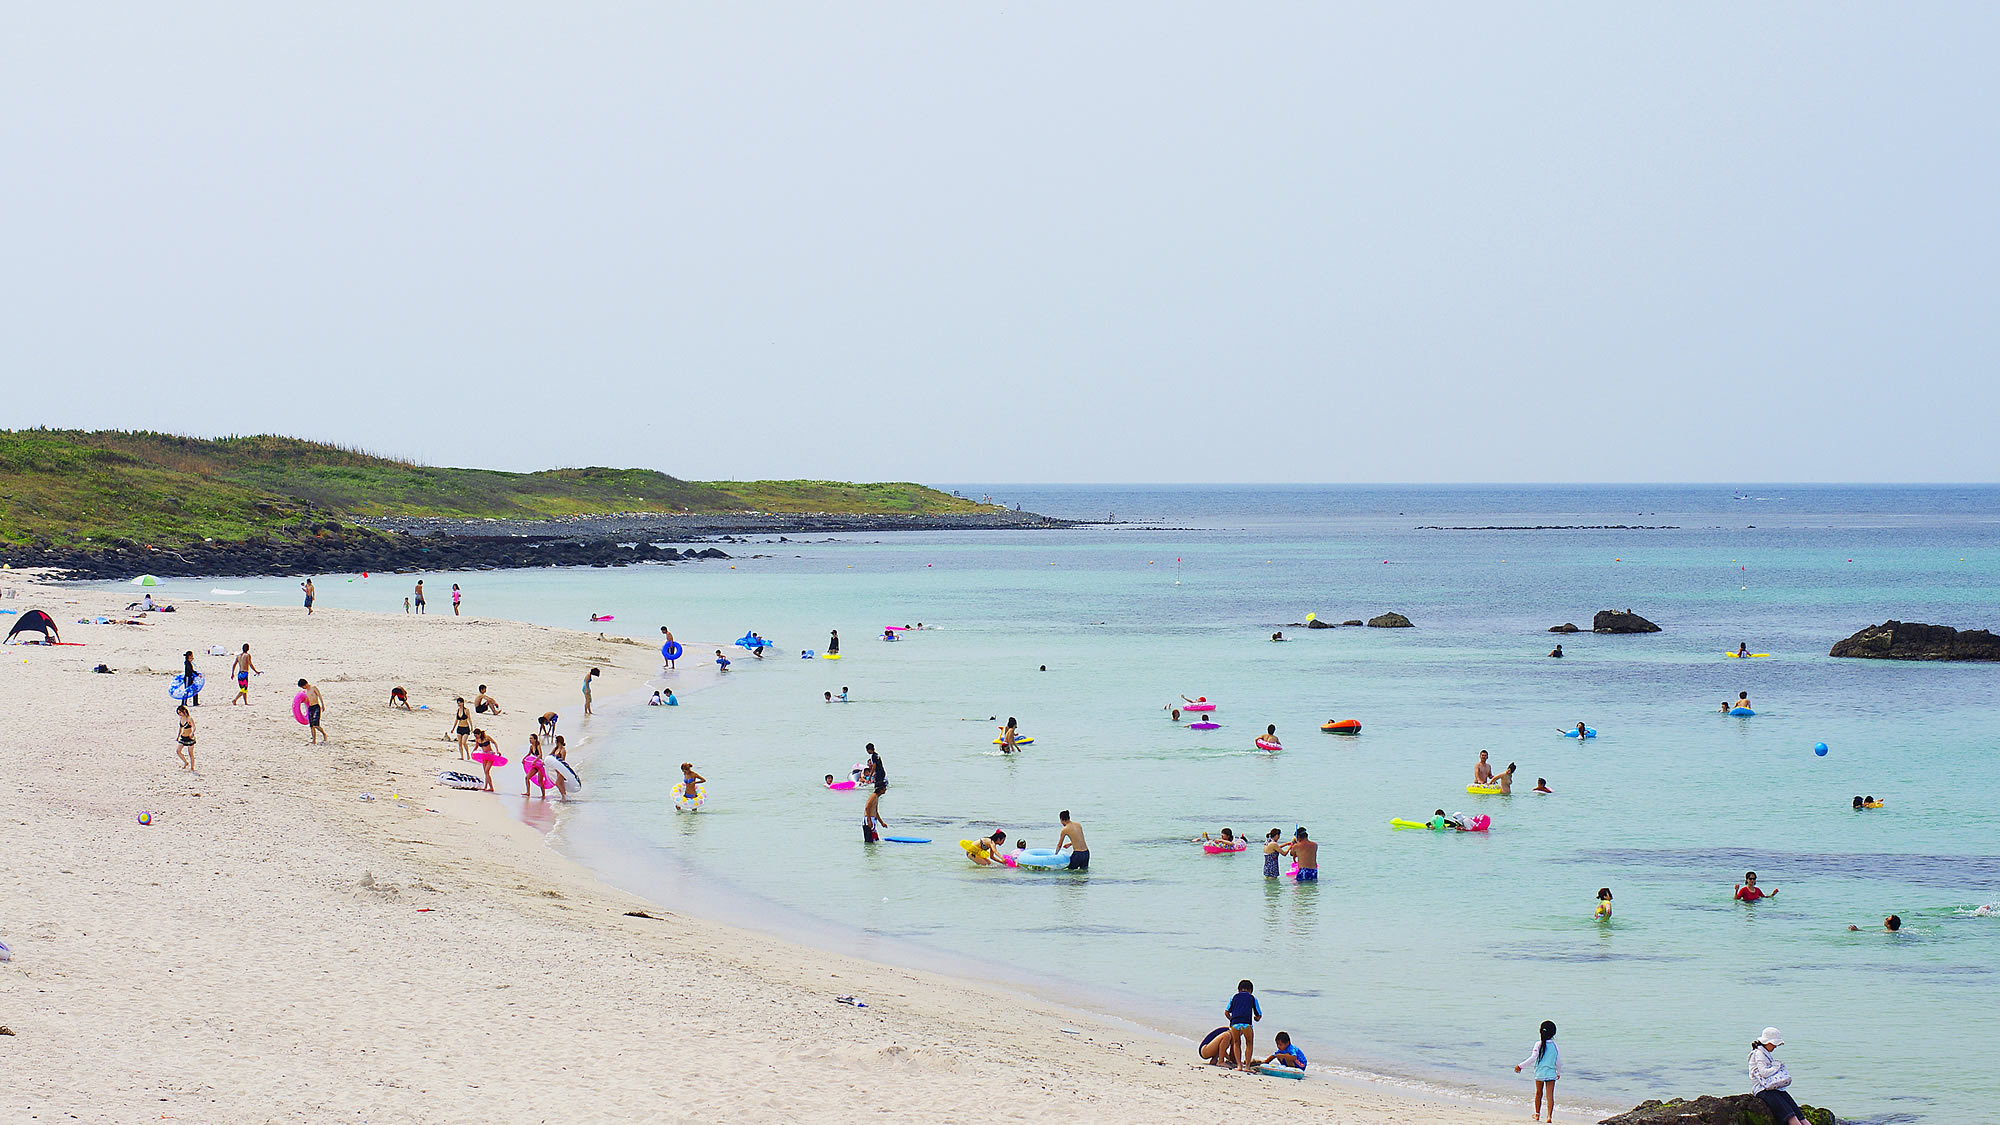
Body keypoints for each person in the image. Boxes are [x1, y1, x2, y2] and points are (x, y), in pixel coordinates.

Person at [1748, 1029, 1809, 1125]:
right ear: (1768, 1042)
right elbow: (1764, 1073)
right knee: (1790, 1116)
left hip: (1771, 1088)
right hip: (1762, 1090)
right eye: (1774, 1044)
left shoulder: (1764, 1053)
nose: (1776, 1046)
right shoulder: (1759, 1054)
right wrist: (1776, 1066)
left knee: (1794, 1109)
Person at [1513, 1019, 1560, 1123]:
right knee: (1550, 1096)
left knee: (1538, 1093)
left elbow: (1533, 1058)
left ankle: (1537, 1114)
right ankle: (1549, 1117)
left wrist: (1520, 1066)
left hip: (1540, 1073)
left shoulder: (1538, 1044)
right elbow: (1558, 1060)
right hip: (1551, 1073)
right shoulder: (1555, 1045)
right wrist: (1558, 1072)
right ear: (1553, 1033)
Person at [1224, 980, 1262, 1072]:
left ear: (1238, 989)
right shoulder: (1252, 998)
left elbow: (1226, 1012)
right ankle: (1247, 1067)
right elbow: (1259, 1014)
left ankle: (1239, 1066)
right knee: (1249, 1043)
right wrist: (1256, 1019)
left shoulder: (1234, 997)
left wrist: (1232, 1020)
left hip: (1235, 1023)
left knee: (1237, 1043)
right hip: (1246, 1023)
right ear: (1251, 990)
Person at [863, 743, 888, 830]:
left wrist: (870, 775)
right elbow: (867, 808)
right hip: (882, 773)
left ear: (870, 750)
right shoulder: (877, 755)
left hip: (879, 773)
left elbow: (874, 766)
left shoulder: (873, 756)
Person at [299, 678, 326, 744]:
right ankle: (314, 740)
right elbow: (308, 700)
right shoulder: (306, 692)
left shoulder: (313, 688)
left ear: (305, 684)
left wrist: (323, 705)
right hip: (310, 708)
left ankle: (324, 734)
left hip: (316, 706)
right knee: (311, 726)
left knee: (316, 724)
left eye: (303, 686)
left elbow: (319, 696)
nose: (303, 688)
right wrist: (301, 702)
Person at [174, 704, 196, 771]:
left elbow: (194, 727)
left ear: (184, 711)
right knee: (178, 751)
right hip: (183, 737)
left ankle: (192, 767)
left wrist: (192, 733)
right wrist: (178, 736)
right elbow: (180, 728)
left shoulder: (189, 718)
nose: (179, 714)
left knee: (190, 753)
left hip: (189, 737)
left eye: (180, 712)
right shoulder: (181, 718)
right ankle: (186, 762)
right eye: (178, 713)